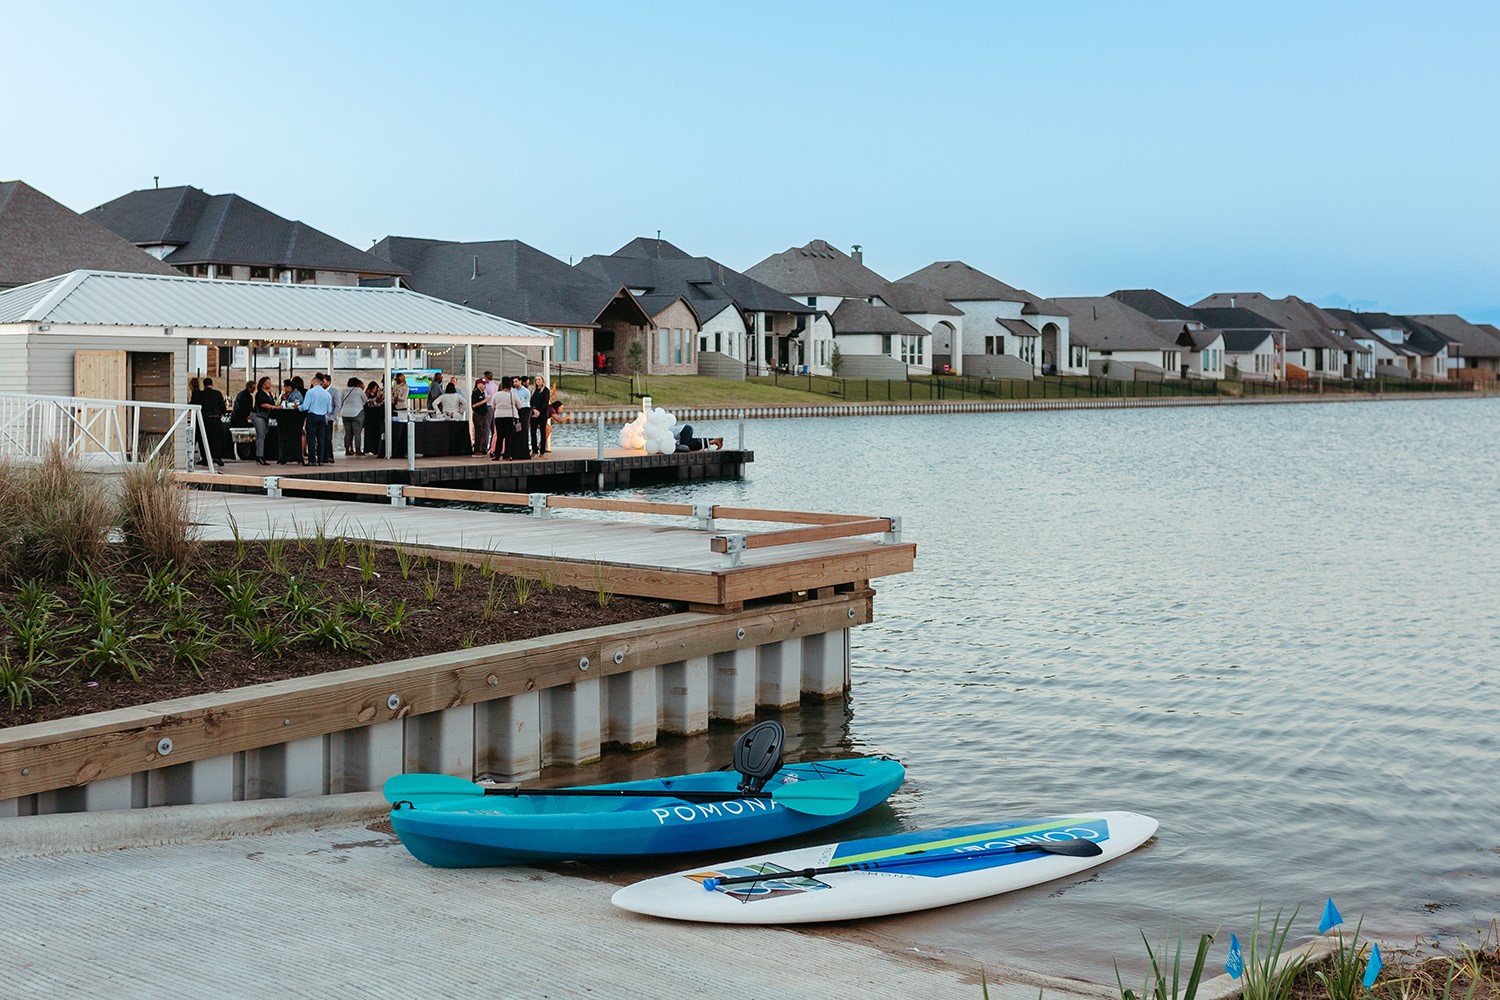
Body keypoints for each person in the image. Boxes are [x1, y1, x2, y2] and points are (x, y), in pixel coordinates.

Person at [299, 373, 334, 466]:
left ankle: (312, 460)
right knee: (321, 439)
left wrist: (298, 407)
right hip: (322, 417)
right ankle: (321, 460)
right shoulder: (327, 394)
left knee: (311, 439)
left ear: (314, 382)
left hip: (312, 416)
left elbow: (305, 406)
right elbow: (329, 409)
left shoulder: (310, 392)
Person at [197, 377, 229, 464]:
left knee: (203, 439)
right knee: (217, 439)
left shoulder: (200, 394)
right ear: (212, 384)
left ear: (204, 385)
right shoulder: (217, 394)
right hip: (215, 419)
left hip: (204, 419)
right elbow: (223, 408)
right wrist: (220, 415)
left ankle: (205, 458)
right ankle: (217, 457)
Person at [489, 376, 522, 460]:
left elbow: (493, 405)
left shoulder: (496, 395)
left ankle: (497, 455)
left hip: (499, 416)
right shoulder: (513, 395)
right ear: (510, 386)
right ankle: (507, 455)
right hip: (510, 416)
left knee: (500, 436)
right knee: (508, 436)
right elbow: (519, 406)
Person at [252, 376, 276, 466]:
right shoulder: (260, 394)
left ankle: (260, 454)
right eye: (267, 382)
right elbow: (263, 404)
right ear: (263, 384)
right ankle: (260, 456)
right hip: (258, 415)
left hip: (265, 416)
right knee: (261, 435)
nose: (269, 384)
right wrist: (273, 407)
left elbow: (271, 403)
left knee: (263, 435)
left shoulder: (269, 394)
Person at [340, 377, 365, 455]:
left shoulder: (344, 391)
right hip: (357, 413)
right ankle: (358, 450)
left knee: (348, 433)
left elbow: (340, 401)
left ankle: (347, 450)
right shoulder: (359, 390)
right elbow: (365, 400)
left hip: (345, 413)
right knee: (357, 433)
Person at [231, 380, 255, 460]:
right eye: (253, 388)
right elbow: (249, 409)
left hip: (235, 418)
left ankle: (236, 453)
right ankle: (244, 454)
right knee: (242, 438)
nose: (254, 390)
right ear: (249, 387)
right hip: (241, 419)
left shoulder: (240, 394)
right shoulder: (248, 396)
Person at [530, 375, 552, 456]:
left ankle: (542, 450)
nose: (537, 381)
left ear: (542, 380)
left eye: (539, 379)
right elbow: (531, 402)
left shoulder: (546, 390)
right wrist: (534, 409)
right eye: (536, 380)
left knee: (543, 431)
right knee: (532, 431)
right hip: (534, 413)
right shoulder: (533, 390)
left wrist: (539, 411)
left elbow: (546, 402)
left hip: (542, 413)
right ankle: (534, 450)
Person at [363, 380, 385, 455]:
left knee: (377, 432)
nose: (375, 389)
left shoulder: (378, 395)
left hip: (377, 414)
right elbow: (366, 402)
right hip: (369, 415)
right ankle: (368, 448)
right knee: (369, 432)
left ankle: (376, 448)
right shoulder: (367, 394)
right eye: (374, 388)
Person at [512, 374, 532, 459]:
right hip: (515, 412)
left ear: (520, 381)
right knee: (515, 431)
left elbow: (527, 402)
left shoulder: (526, 391)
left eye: (516, 381)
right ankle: (515, 452)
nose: (515, 383)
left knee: (524, 430)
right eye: (513, 382)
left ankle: (524, 452)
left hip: (524, 411)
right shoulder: (513, 391)